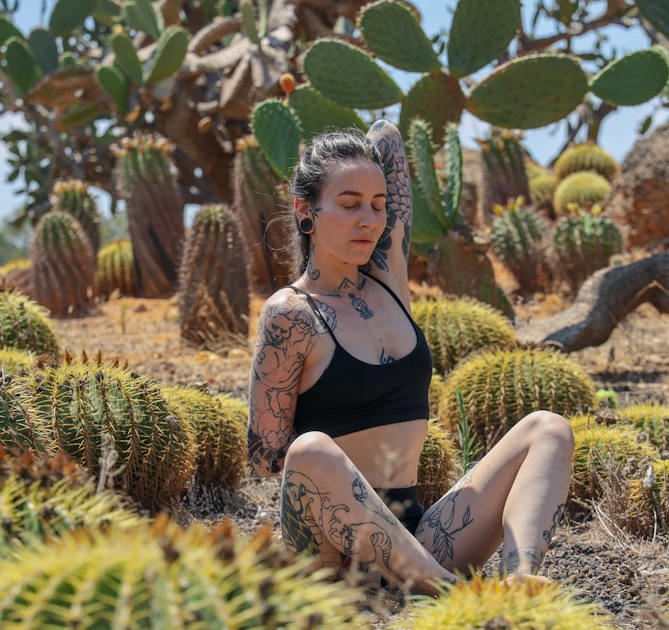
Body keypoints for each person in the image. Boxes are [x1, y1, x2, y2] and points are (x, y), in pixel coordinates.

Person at [246, 120, 574, 596]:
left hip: (419, 539)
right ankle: (454, 594)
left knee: (547, 428)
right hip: (333, 555)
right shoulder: (291, 313)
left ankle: (518, 577)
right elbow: (267, 458)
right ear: (306, 212)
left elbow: (389, 139)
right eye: (350, 203)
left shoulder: (387, 280)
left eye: (378, 205)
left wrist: (361, 154)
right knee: (311, 448)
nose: (369, 220)